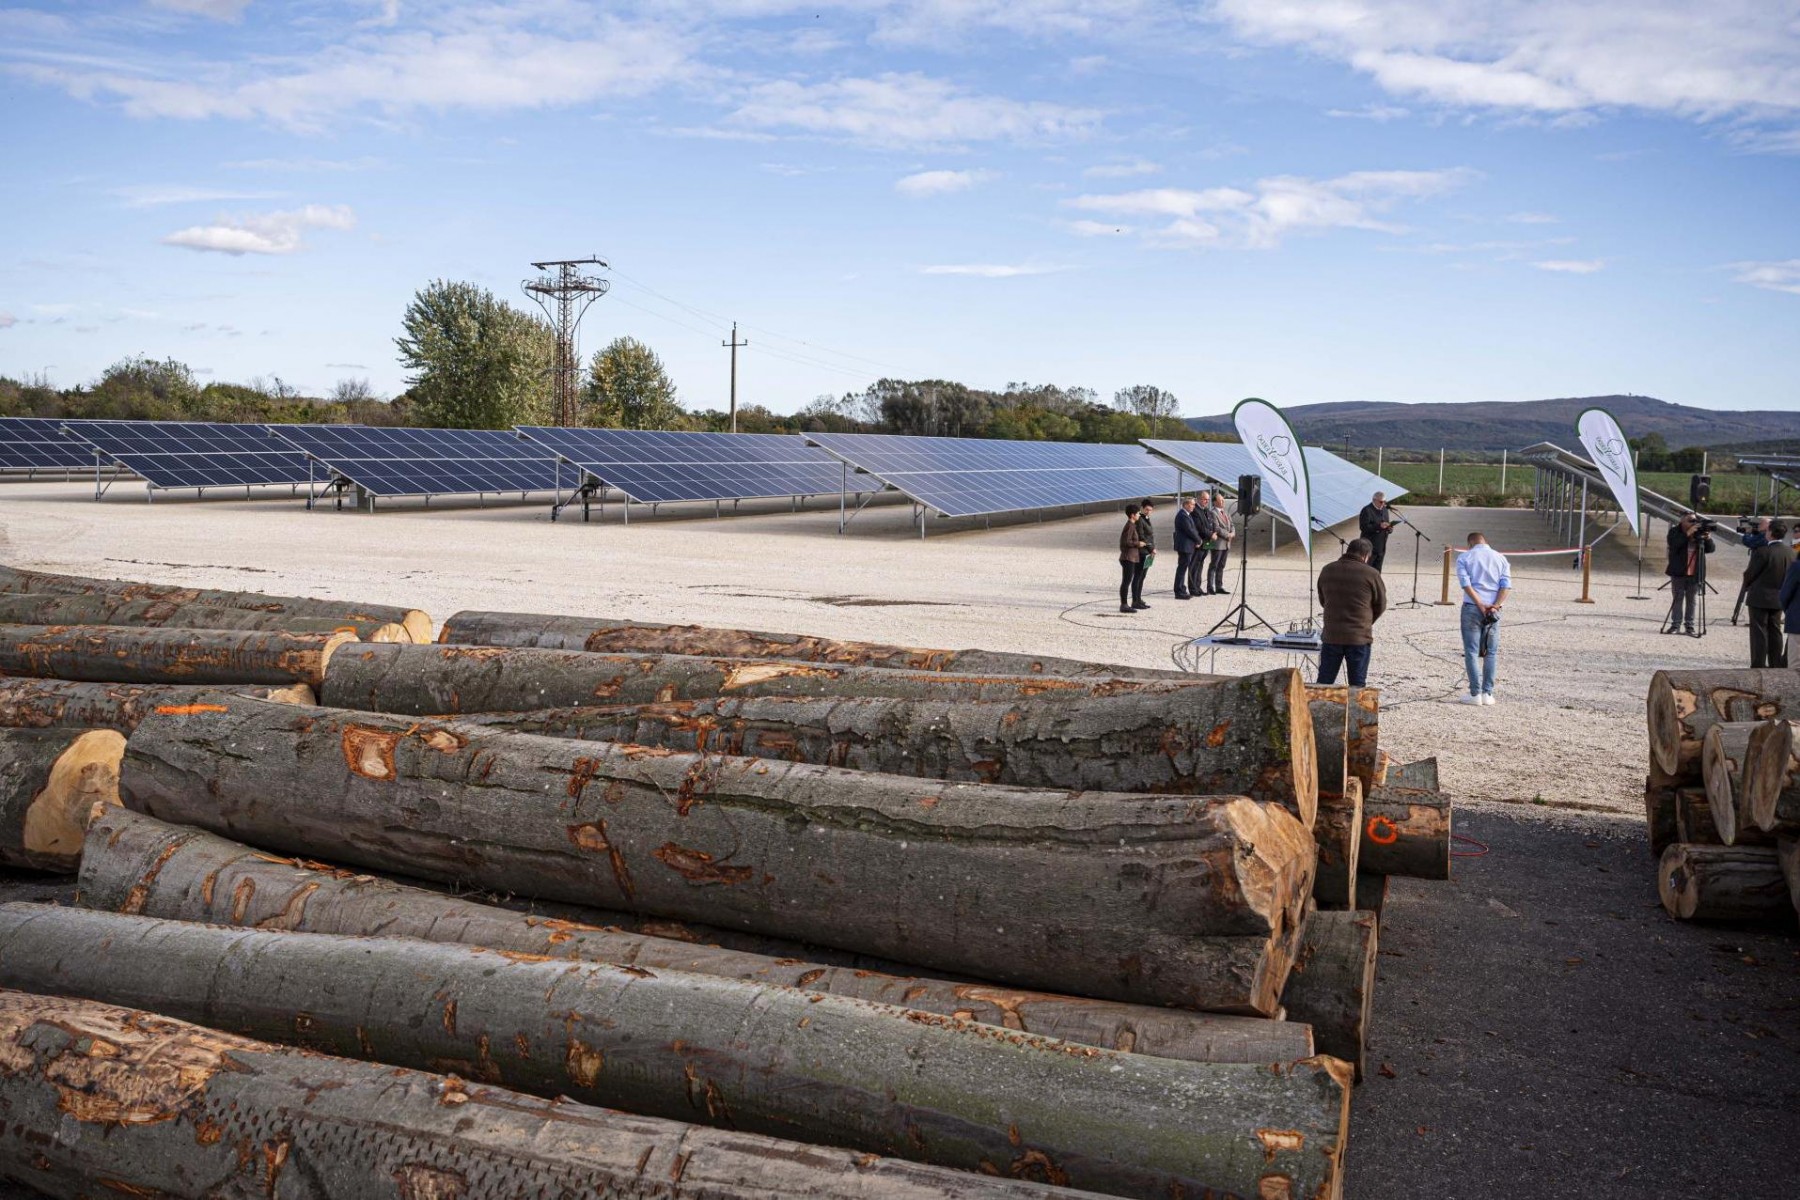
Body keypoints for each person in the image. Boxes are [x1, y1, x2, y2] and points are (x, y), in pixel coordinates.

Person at [1316, 537, 1386, 686]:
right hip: (1358, 636)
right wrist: (1365, 621)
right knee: (1357, 685)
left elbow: (1323, 600)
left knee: (1324, 682)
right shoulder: (1371, 574)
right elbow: (1380, 604)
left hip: (1331, 634)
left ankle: (1317, 708)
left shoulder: (1327, 569)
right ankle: (1355, 710)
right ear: (1366, 555)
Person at [1454, 531, 1510, 705]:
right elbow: (1506, 585)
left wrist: (1479, 603)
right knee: (1491, 652)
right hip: (1493, 609)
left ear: (1470, 543)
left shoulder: (1464, 558)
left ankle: (1474, 693)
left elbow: (1466, 584)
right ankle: (1488, 693)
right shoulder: (1500, 558)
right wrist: (1495, 605)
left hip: (1472, 607)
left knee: (1471, 651)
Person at [1744, 522, 1793, 667]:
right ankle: (1775, 663)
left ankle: (1758, 664)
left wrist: (1747, 586)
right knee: (1775, 629)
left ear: (1770, 533)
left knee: (1759, 631)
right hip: (1780, 596)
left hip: (1760, 596)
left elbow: (1750, 573)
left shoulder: (1763, 551)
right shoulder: (1791, 552)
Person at [1665, 513, 1715, 635]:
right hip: (1679, 571)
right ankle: (1675, 625)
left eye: (1695, 521)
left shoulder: (1699, 533)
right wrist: (1688, 534)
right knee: (1678, 598)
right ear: (1682, 521)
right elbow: (1674, 544)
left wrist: (1707, 538)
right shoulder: (1674, 531)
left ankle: (1689, 626)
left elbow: (1711, 549)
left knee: (1691, 599)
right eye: (1690, 520)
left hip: (1695, 572)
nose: (1694, 523)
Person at [1118, 504, 1147, 614]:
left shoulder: (1132, 525)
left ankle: (1126, 603)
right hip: (1128, 557)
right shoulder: (1129, 525)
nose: (1139, 515)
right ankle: (1124, 604)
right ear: (1132, 515)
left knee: (1128, 580)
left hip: (1132, 557)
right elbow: (1126, 542)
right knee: (1126, 581)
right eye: (1138, 513)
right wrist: (1138, 543)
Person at [1205, 490, 1235, 595]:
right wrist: (1228, 535)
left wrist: (1232, 533)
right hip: (1218, 543)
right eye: (1220, 500)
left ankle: (1219, 586)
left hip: (1226, 544)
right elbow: (1216, 528)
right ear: (1214, 502)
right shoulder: (1212, 513)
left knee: (1221, 565)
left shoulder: (1226, 512)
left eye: (1223, 500)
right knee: (1214, 565)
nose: (1223, 502)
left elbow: (1232, 525)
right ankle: (1210, 587)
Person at [1173, 495, 1202, 600]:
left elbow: (1193, 529)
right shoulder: (1182, 515)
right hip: (1184, 546)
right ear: (1185, 504)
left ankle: (1182, 588)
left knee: (1183, 568)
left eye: (1194, 504)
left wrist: (1197, 539)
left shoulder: (1187, 514)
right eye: (1192, 504)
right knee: (1182, 568)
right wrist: (1198, 540)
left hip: (1188, 545)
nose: (1194, 506)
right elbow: (1189, 530)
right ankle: (1179, 591)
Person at [1358, 492, 1397, 572]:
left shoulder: (1385, 510)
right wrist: (1379, 526)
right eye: (1381, 502)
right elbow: (1363, 528)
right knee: (1367, 571)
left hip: (1381, 547)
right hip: (1369, 547)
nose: (1383, 504)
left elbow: (1386, 524)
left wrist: (1389, 529)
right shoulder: (1366, 510)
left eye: (1384, 502)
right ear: (1374, 500)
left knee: (1377, 572)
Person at [1131, 498, 1157, 610]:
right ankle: (1135, 601)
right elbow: (1142, 536)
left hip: (1147, 551)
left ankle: (1138, 598)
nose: (1148, 512)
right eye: (1146, 509)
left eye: (1150, 510)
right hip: (1141, 552)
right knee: (1138, 576)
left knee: (1142, 576)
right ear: (1142, 508)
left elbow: (1150, 536)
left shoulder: (1146, 519)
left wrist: (1152, 548)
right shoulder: (1140, 520)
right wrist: (1152, 548)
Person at [1777, 539, 1800, 666]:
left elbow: (1785, 594)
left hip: (1798, 623)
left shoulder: (1797, 567)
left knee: (1795, 665)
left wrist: (1790, 611)